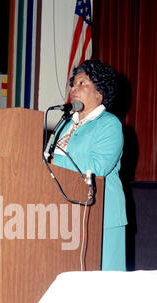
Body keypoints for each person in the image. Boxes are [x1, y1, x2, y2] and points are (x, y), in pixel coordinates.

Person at [53, 59, 127, 271]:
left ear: (99, 93)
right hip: (66, 213)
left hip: (102, 214)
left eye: (82, 83)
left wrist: (52, 161)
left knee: (105, 288)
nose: (74, 89)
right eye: (73, 84)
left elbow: (97, 167)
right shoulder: (65, 124)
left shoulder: (109, 124)